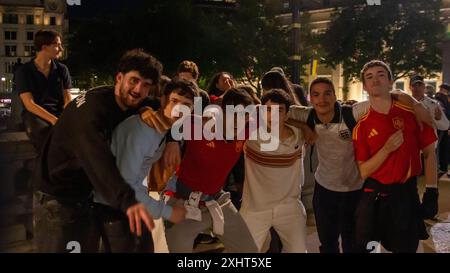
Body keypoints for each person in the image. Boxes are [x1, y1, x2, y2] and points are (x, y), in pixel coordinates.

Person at [33, 49, 161, 253]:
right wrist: (129, 202)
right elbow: (99, 162)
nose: (138, 90)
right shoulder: (92, 112)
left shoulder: (121, 99)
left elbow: (165, 107)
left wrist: (171, 139)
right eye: (134, 80)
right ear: (119, 77)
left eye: (146, 85)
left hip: (85, 199)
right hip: (58, 203)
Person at [92, 78, 198, 252]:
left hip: (128, 205)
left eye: (186, 104)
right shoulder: (142, 130)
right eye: (174, 101)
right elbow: (128, 184)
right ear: (163, 100)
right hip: (114, 207)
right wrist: (169, 212)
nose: (180, 108)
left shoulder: (163, 130)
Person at [353, 60, 438, 253]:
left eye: (381, 74)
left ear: (391, 82)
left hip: (405, 197)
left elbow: (430, 153)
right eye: (369, 77)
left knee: (405, 248)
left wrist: (432, 191)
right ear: (365, 86)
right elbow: (364, 171)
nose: (375, 80)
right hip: (373, 199)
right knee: (368, 250)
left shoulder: (412, 113)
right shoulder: (362, 126)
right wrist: (386, 149)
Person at [162, 87, 258, 253]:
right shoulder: (200, 126)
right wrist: (172, 141)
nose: (238, 121)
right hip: (184, 203)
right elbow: (172, 117)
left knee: (249, 252)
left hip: (218, 202)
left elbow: (275, 113)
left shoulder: (248, 128)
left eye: (244, 115)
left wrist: (307, 128)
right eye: (234, 114)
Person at [240, 89, 307, 253]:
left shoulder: (299, 135)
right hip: (255, 208)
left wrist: (305, 127)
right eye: (268, 110)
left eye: (279, 111)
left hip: (289, 206)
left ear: (287, 113)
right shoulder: (250, 136)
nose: (273, 116)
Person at [15, 30, 72, 150]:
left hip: (58, 113)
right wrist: (54, 120)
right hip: (35, 115)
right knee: (45, 135)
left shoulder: (62, 69)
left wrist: (67, 116)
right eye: (57, 45)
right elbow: (29, 105)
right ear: (45, 47)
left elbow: (67, 98)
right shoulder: (24, 71)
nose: (61, 49)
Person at [434, 83, 450, 177]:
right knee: (443, 147)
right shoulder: (446, 98)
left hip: (440, 125)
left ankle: (440, 167)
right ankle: (443, 167)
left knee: (438, 146)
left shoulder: (439, 97)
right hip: (445, 125)